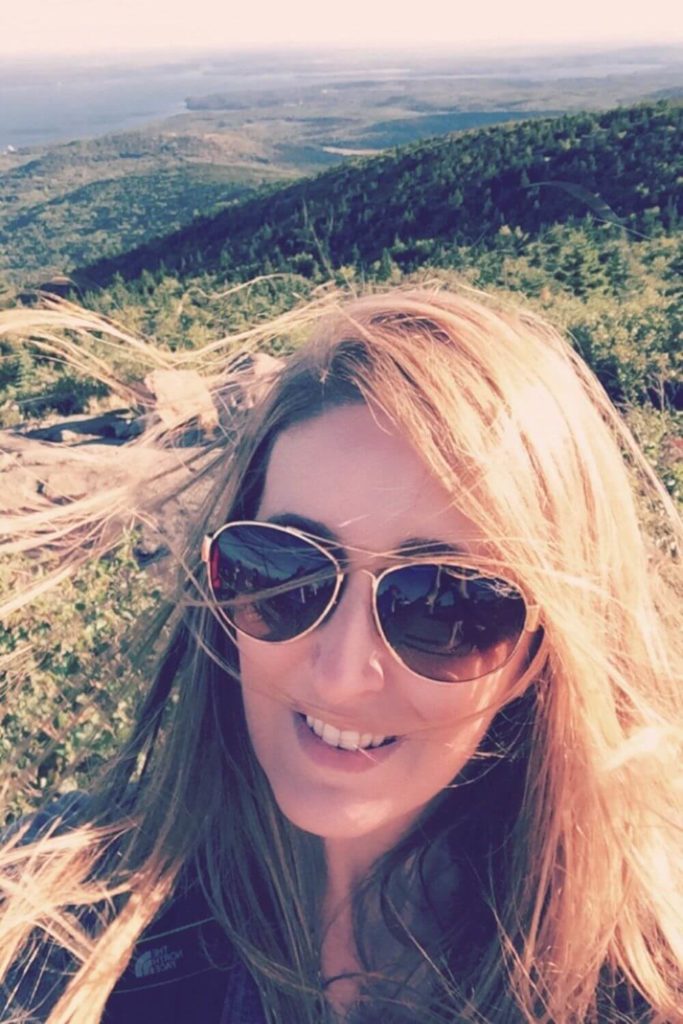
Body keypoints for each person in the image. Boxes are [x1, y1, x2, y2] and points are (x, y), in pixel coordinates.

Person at [0, 285, 681, 1024]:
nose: (340, 674)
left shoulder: (642, 984)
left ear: (541, 655)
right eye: (281, 573)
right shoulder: (58, 910)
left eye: (444, 608)